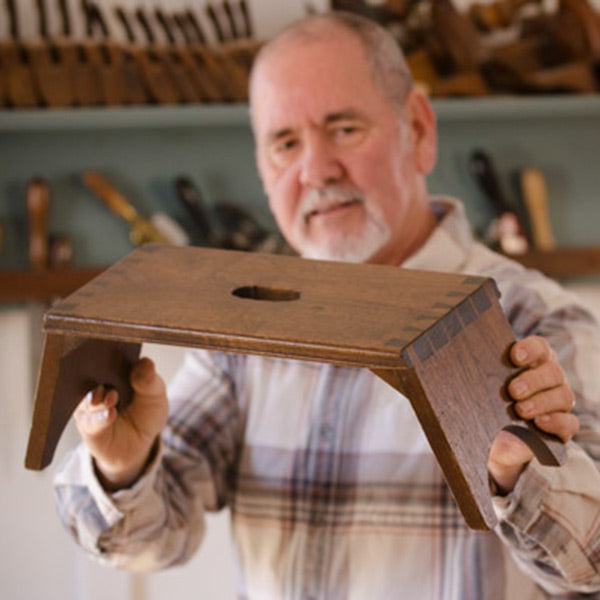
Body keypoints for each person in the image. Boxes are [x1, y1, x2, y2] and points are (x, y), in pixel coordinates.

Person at [54, 11, 600, 599]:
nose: (315, 170)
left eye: (343, 129)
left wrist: (519, 473)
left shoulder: (535, 321)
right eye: (285, 143)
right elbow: (151, 538)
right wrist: (122, 469)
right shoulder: (244, 325)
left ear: (417, 129)